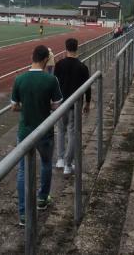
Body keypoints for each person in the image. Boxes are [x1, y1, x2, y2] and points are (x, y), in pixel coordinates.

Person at [11, 45, 63, 226]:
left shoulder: (19, 79)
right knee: (47, 163)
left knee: (22, 171)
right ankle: (42, 199)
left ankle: (24, 213)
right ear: (46, 60)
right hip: (45, 131)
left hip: (25, 131)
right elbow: (57, 106)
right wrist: (43, 105)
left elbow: (14, 106)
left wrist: (27, 106)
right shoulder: (51, 80)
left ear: (32, 57)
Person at [53, 38, 91, 176]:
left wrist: (53, 101)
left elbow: (54, 84)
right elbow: (87, 87)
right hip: (75, 104)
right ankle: (68, 165)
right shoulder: (82, 67)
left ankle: (60, 159)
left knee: (61, 131)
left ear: (66, 48)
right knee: (72, 133)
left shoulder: (58, 65)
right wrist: (88, 102)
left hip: (61, 104)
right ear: (77, 48)